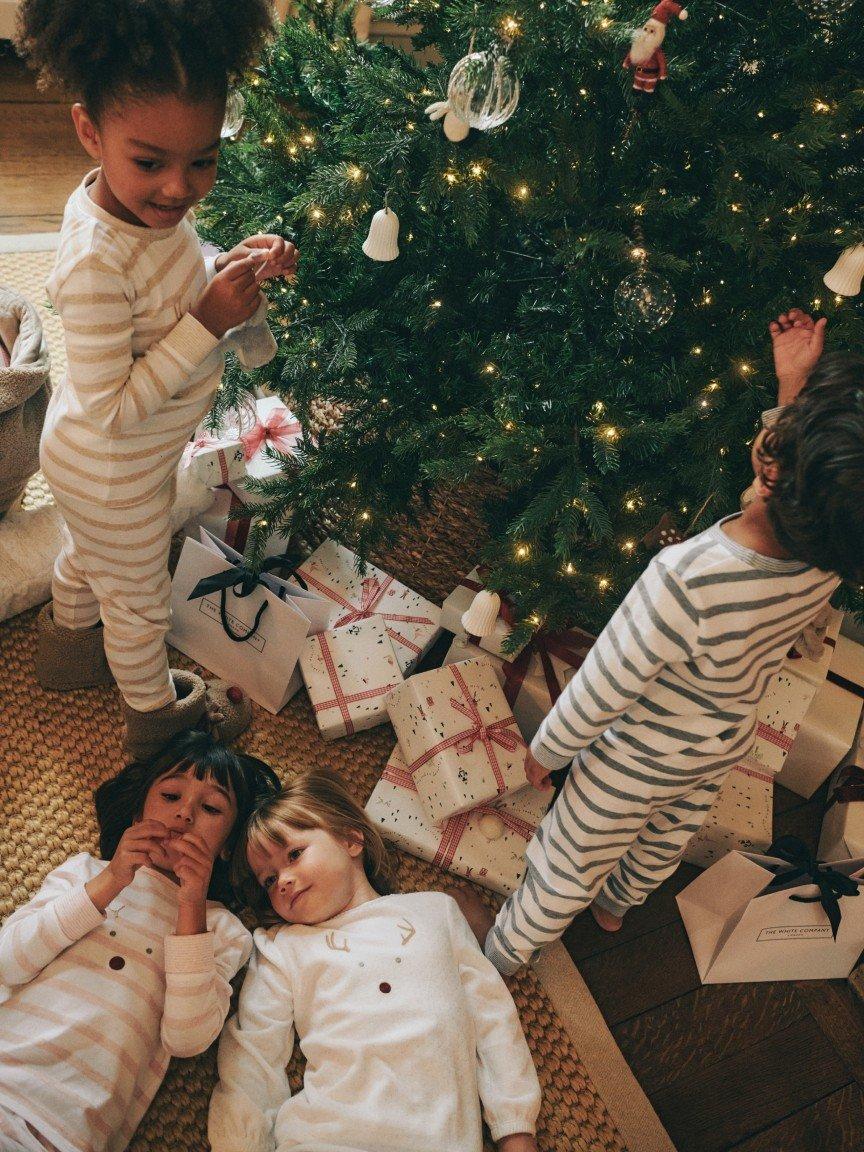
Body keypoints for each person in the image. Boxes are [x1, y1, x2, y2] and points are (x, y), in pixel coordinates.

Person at [469, 308, 864, 975]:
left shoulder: (688, 578)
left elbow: (606, 682)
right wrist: (792, 394)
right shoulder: (829, 553)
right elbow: (815, 478)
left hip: (634, 757)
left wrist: (547, 750)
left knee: (569, 857)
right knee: (664, 835)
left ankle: (503, 954)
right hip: (717, 744)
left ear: (773, 466)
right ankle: (618, 906)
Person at [15, 0, 299, 757]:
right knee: (138, 608)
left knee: (90, 557)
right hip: (112, 465)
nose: (179, 189)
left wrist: (226, 266)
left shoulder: (145, 221)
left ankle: (70, 650)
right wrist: (207, 320)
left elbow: (170, 286)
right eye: (150, 163)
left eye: (201, 160)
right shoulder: (90, 266)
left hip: (101, 471)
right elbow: (115, 407)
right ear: (89, 131)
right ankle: (158, 726)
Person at [208, 769, 542, 1152]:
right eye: (268, 880)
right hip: (325, 1137)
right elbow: (252, 1051)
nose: (281, 880)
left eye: (295, 855)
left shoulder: (435, 913)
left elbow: (492, 1015)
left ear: (352, 839)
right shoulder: (283, 947)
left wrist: (515, 1126)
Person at [0, 730, 282, 1152]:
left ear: (226, 848)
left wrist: (191, 905)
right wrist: (110, 881)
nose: (185, 814)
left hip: (68, 1131)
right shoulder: (83, 872)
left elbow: (186, 1039)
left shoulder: (222, 931)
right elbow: (8, 962)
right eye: (170, 796)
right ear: (137, 814)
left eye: (210, 807)